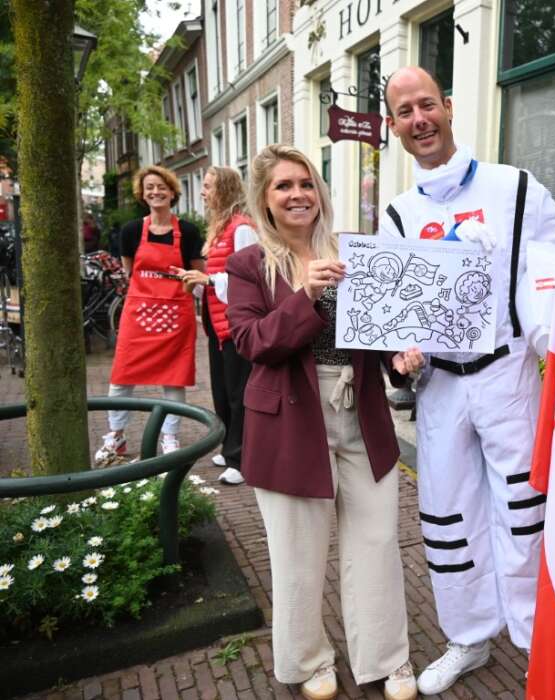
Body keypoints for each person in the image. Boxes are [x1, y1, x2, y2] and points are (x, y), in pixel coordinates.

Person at [377, 65, 555, 695]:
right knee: (448, 515)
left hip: (508, 374)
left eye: (427, 104)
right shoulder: (398, 215)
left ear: (449, 106)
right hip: (441, 387)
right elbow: (395, 313)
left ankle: (540, 645)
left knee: (524, 510)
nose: (419, 120)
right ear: (393, 125)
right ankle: (469, 637)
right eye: (405, 111)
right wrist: (398, 352)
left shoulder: (514, 188)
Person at [225, 145, 418, 700]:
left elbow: (378, 327)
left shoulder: (352, 250)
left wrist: (398, 357)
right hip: (288, 422)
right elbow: (251, 343)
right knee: (297, 554)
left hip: (361, 412)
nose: (298, 194)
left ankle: (386, 657)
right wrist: (305, 294)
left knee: (377, 540)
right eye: (284, 186)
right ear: (265, 198)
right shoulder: (250, 264)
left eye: (306, 183)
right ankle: (307, 659)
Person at [94, 166, 204, 463]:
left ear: (172, 192)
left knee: (174, 378)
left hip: (175, 316)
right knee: (121, 375)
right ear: (142, 194)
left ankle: (170, 436)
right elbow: (130, 272)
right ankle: (116, 435)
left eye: (161, 187)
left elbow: (198, 275)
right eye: (150, 188)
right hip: (139, 314)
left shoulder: (189, 232)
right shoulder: (131, 231)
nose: (156, 192)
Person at [173, 166, 257, 486]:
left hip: (236, 322)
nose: (202, 192)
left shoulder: (242, 228)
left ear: (224, 189)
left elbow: (251, 278)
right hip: (216, 320)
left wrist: (208, 280)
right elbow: (215, 279)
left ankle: (242, 458)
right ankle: (229, 446)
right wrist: (194, 281)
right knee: (222, 389)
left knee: (239, 391)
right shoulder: (219, 228)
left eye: (208, 186)